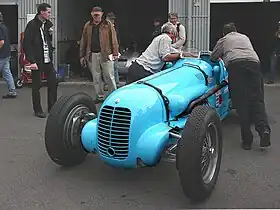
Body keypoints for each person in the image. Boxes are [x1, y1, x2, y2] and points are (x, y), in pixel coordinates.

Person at [210, 22, 271, 150]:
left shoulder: (224, 39)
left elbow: (213, 57)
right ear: (236, 30)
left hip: (236, 66)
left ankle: (247, 140)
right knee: (257, 100)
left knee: (241, 101)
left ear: (223, 33)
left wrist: (222, 57)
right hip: (254, 64)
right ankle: (264, 129)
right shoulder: (244, 37)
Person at [126, 22, 196, 84]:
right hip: (142, 70)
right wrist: (181, 55)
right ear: (172, 31)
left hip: (138, 68)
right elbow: (165, 57)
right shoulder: (166, 38)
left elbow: (172, 50)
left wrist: (184, 53)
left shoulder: (159, 37)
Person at [22, 3, 58, 118]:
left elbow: (46, 41)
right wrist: (31, 61)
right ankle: (37, 110)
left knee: (53, 81)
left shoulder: (47, 25)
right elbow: (26, 44)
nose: (50, 14)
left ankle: (52, 106)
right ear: (41, 12)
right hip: (37, 60)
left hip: (47, 59)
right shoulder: (32, 25)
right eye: (48, 12)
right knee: (36, 85)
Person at [80, 6, 119, 103]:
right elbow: (83, 40)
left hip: (106, 54)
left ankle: (113, 96)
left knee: (109, 76)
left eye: (98, 15)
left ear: (101, 14)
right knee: (96, 77)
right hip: (92, 54)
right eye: (94, 15)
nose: (96, 17)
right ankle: (99, 96)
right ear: (92, 15)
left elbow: (114, 39)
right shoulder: (88, 25)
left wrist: (115, 53)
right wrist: (82, 55)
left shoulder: (108, 24)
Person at [0, 12, 17, 99]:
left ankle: (12, 91)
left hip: (1, 55)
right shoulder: (4, 27)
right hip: (6, 54)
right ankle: (12, 91)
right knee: (7, 73)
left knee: (7, 73)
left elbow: (1, 42)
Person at [106, 12, 120, 87]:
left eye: (113, 19)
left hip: (114, 50)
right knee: (109, 69)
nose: (113, 21)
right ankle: (110, 83)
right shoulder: (104, 28)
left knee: (114, 67)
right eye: (111, 19)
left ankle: (116, 83)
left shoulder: (114, 27)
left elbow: (116, 40)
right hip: (108, 51)